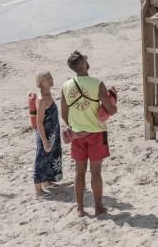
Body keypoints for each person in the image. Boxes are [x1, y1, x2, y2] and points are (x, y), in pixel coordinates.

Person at [61, 51, 117, 217]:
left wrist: (75, 127)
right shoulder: (97, 83)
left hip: (77, 135)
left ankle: (80, 208)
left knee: (79, 172)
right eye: (86, 58)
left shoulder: (66, 86)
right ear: (84, 62)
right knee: (96, 172)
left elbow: (64, 114)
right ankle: (98, 207)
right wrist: (113, 98)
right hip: (96, 133)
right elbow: (111, 110)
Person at [32, 71, 62, 197]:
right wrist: (44, 141)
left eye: (50, 77)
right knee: (41, 159)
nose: (51, 79)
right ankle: (38, 190)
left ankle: (46, 182)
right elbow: (39, 123)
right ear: (40, 83)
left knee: (51, 157)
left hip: (53, 133)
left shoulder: (48, 94)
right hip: (45, 134)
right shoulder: (42, 99)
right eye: (47, 78)